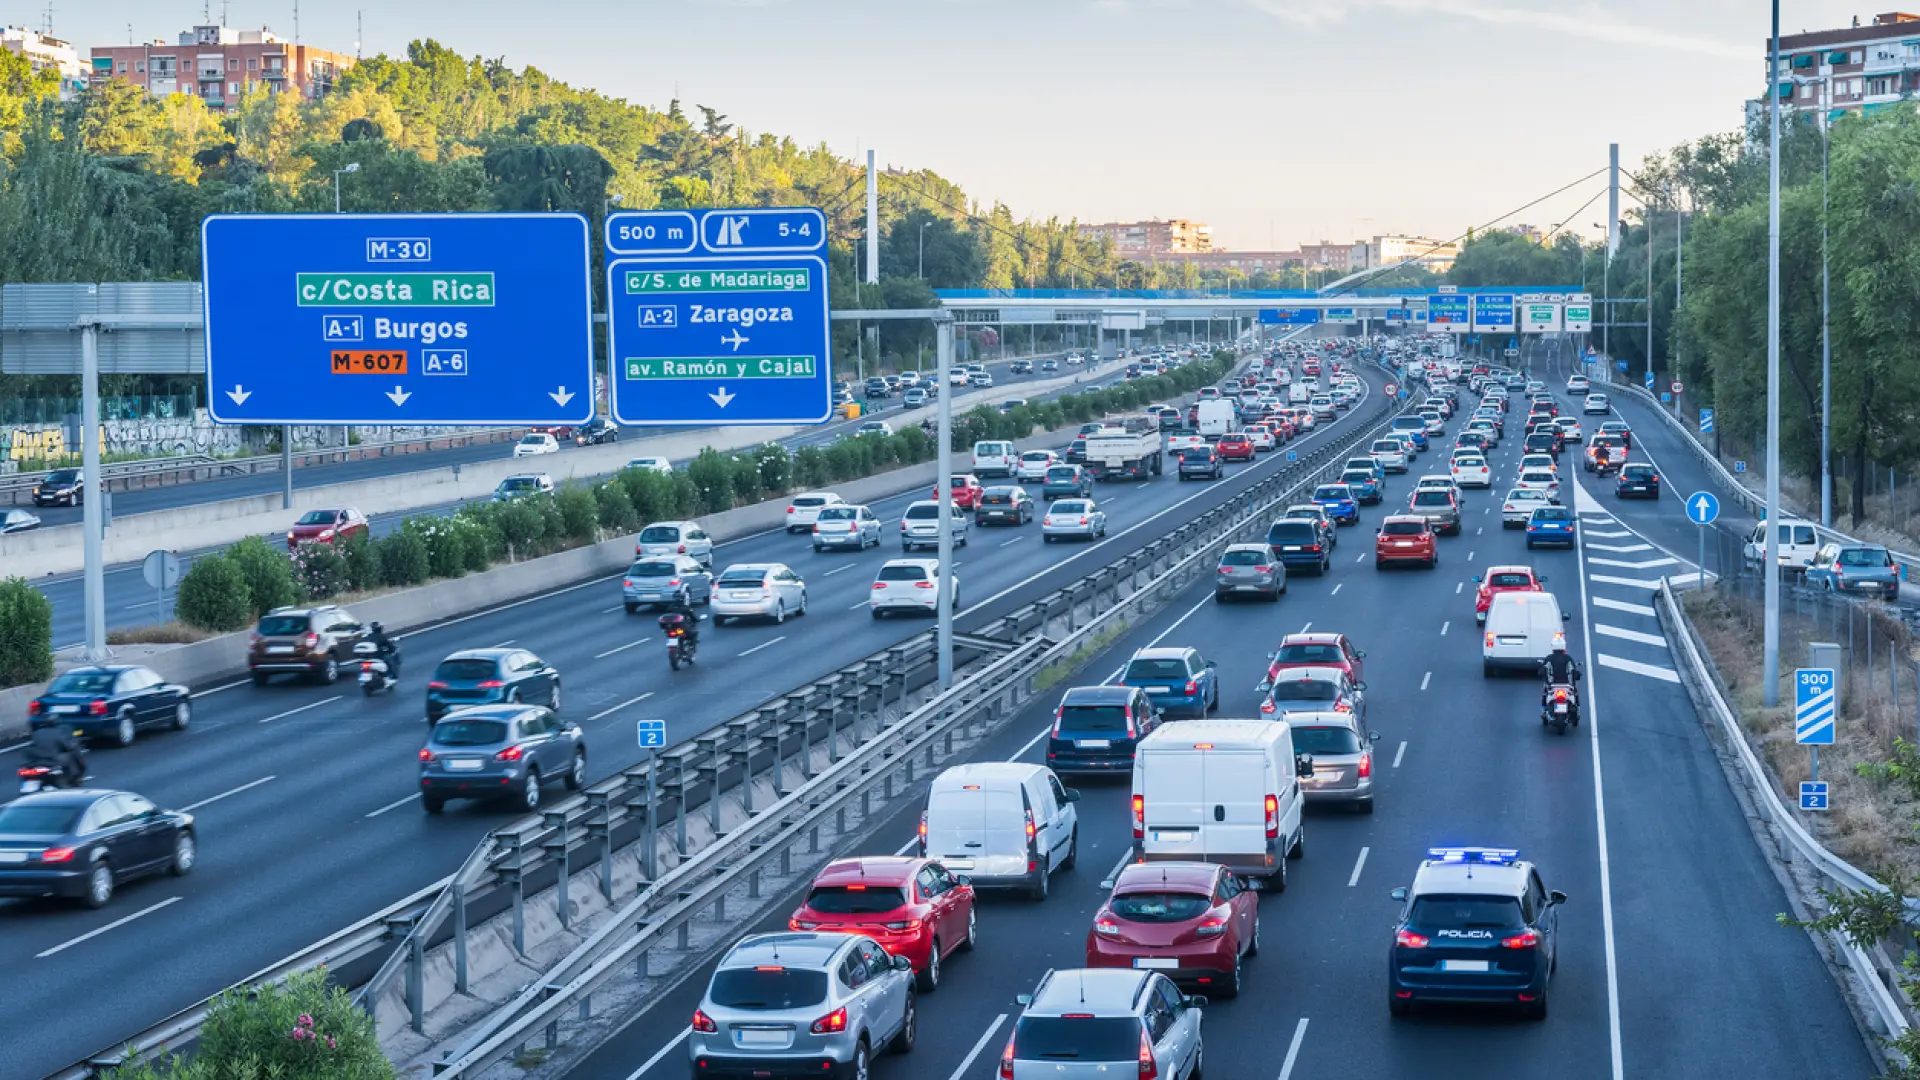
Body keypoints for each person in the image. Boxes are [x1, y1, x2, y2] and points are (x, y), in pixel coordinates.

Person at [26, 715, 86, 784]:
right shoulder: (57, 732)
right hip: (52, 759)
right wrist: (73, 744)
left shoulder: (37, 733)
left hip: (38, 760)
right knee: (70, 756)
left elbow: (32, 746)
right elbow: (67, 746)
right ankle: (74, 778)